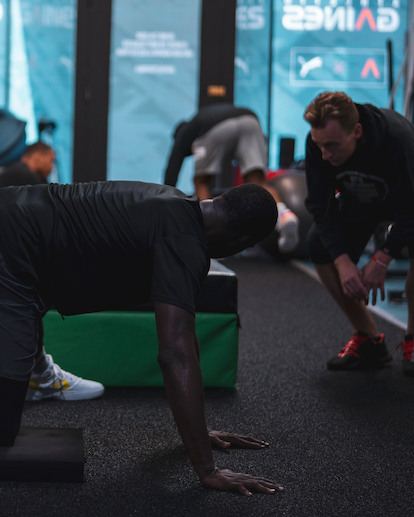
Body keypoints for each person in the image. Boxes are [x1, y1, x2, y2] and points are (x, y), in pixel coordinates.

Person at [0, 179, 283, 495]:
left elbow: (185, 339)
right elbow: (174, 355)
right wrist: (208, 469)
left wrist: (199, 432)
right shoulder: (184, 241)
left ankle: (36, 374)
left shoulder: (178, 206)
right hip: (10, 246)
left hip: (18, 231)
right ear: (241, 242)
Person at [303, 91, 414, 375]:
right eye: (319, 146)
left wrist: (381, 258)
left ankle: (412, 339)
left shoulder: (397, 141)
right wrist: (343, 263)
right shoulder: (319, 144)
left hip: (407, 200)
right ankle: (368, 338)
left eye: (332, 146)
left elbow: (410, 208)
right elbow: (319, 205)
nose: (324, 155)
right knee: (318, 243)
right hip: (362, 200)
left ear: (357, 131)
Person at [0, 142, 105, 402]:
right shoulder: (25, 179)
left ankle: (39, 373)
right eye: (51, 160)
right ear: (36, 157)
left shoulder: (12, 175)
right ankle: (41, 376)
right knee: (29, 284)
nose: (51, 167)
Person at [164, 102, 299, 254]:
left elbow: (172, 171)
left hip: (216, 127)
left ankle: (208, 238)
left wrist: (165, 204)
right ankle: (285, 216)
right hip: (250, 119)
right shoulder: (207, 113)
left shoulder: (184, 133)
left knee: (201, 181)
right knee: (259, 182)